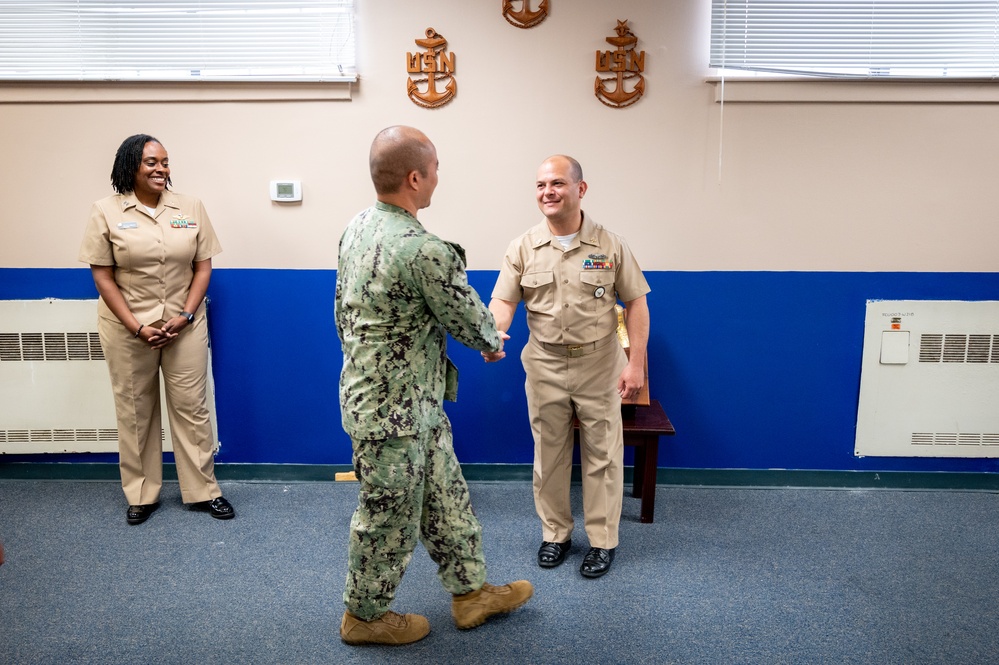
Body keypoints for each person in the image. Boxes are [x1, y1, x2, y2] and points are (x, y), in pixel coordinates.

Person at [335, 126, 533, 646]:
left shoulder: (357, 227)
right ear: (415, 177)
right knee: (386, 516)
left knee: (446, 498)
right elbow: (474, 325)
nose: (439, 177)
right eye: (436, 168)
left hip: (408, 403)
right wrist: (491, 340)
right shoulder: (424, 249)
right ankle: (364, 616)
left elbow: (342, 311)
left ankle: (471, 594)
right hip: (392, 415)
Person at [487, 155, 650, 579]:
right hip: (544, 363)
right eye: (541, 186)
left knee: (603, 456)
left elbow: (636, 303)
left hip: (600, 364)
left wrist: (636, 366)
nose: (548, 193)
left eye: (557, 183)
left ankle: (602, 542)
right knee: (550, 454)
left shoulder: (611, 246)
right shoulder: (523, 246)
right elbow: (503, 301)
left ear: (581, 189)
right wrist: (493, 333)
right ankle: (556, 534)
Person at [79, 134, 234, 525]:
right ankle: (142, 493)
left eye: (165, 161)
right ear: (130, 166)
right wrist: (137, 327)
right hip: (127, 328)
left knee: (192, 408)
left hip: (184, 324)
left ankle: (203, 491)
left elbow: (203, 266)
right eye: (151, 162)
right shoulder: (106, 210)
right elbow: (103, 276)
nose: (161, 168)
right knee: (135, 410)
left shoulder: (190, 207)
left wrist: (183, 316)